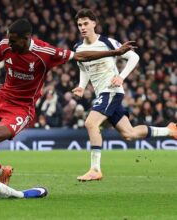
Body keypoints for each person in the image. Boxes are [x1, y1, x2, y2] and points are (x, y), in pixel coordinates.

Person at [0, 18, 136, 188]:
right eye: (9, 39)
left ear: (26, 38)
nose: (10, 43)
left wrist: (114, 52)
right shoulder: (5, 45)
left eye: (14, 40)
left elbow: (79, 56)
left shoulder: (45, 52)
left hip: (21, 109)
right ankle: (1, 172)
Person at [71, 8, 177, 181]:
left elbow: (134, 57)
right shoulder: (78, 47)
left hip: (111, 91)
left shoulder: (107, 42)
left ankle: (95, 169)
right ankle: (169, 130)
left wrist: (121, 76)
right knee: (129, 134)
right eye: (79, 24)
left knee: (90, 123)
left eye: (85, 23)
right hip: (102, 94)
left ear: (94, 24)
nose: (82, 27)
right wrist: (82, 86)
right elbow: (83, 68)